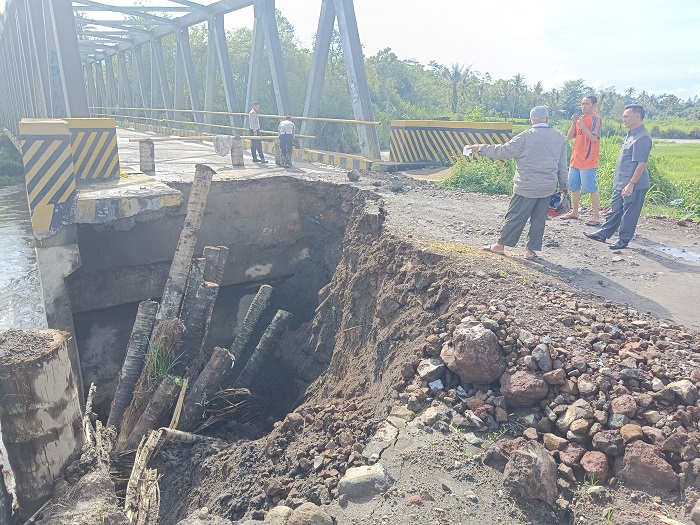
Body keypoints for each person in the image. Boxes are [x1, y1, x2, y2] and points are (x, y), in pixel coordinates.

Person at [470, 106, 568, 260]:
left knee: (515, 216)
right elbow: (562, 166)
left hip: (526, 186)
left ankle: (500, 246)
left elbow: (503, 152)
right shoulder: (559, 137)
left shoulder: (525, 136)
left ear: (531, 121)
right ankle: (530, 251)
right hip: (547, 187)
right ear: (547, 119)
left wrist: (480, 148)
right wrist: (564, 187)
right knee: (539, 219)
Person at [584, 105, 652, 250]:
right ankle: (603, 233)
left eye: (627, 116)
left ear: (637, 117)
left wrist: (631, 184)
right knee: (615, 209)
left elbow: (641, 164)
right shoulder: (631, 134)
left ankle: (623, 239)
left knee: (629, 213)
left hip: (634, 184)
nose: (624, 119)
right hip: (622, 182)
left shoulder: (643, 137)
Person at [559, 95, 602, 225]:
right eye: (582, 104)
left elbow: (594, 138)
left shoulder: (595, 119)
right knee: (574, 186)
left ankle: (596, 216)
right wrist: (575, 123)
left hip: (588, 160)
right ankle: (575, 211)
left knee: (591, 188)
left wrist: (583, 126)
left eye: (587, 104)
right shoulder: (580, 120)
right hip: (576, 159)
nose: (584, 106)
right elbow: (569, 136)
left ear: (594, 105)